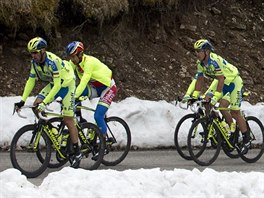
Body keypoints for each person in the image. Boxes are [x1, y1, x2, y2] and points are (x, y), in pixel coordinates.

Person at [14, 37, 82, 168]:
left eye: (35, 52)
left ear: (43, 51)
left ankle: (77, 151)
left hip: (67, 85)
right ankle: (54, 132)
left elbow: (57, 86)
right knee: (36, 106)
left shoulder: (53, 61)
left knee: (68, 119)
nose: (33, 55)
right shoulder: (34, 63)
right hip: (55, 84)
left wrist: (45, 103)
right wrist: (22, 101)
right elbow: (31, 81)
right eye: (31, 53)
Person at [184, 39, 251, 154]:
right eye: (195, 51)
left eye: (199, 51)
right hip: (220, 82)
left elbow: (221, 79)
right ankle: (219, 128)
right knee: (206, 102)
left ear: (206, 51)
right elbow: (199, 80)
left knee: (233, 111)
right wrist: (193, 96)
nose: (197, 54)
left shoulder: (215, 61)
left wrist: (215, 97)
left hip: (233, 82)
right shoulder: (200, 63)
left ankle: (246, 139)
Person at [65, 41, 117, 141]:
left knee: (98, 116)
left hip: (108, 87)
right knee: (73, 92)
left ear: (80, 54)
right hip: (96, 88)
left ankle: (103, 141)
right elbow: (67, 74)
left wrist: (73, 97)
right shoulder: (74, 62)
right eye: (69, 57)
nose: (71, 59)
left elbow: (83, 82)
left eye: (72, 56)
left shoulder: (89, 62)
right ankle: (80, 119)